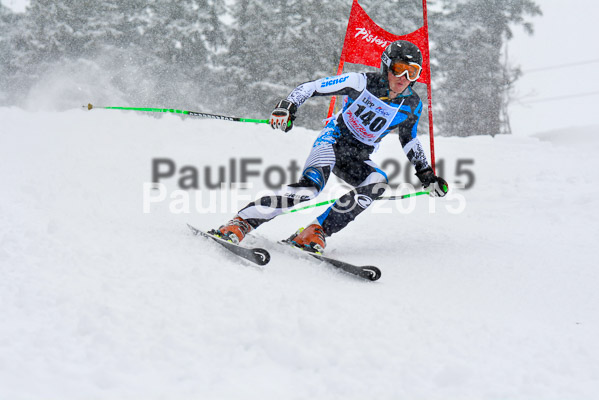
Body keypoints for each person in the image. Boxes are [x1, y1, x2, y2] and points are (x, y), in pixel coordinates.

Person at [210, 40, 448, 253]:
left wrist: (426, 174)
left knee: (378, 183)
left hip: (357, 156)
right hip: (333, 141)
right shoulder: (360, 82)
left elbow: (410, 140)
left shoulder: (412, 104)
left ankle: (315, 232)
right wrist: (288, 105)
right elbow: (313, 86)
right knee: (309, 190)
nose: (404, 77)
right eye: (399, 69)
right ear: (386, 66)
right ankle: (241, 222)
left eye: (412, 72)